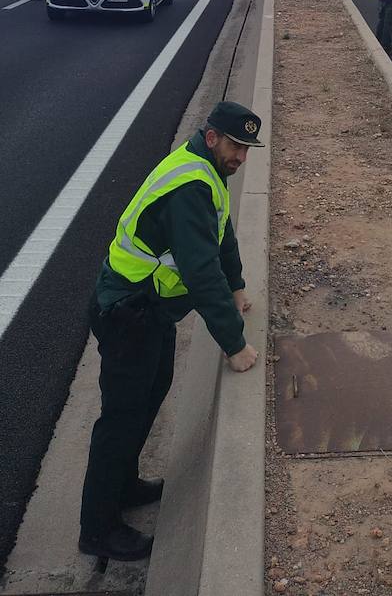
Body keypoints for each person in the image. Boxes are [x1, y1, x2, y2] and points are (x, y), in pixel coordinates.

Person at [79, 100, 263, 563]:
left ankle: (124, 484)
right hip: (126, 310)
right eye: (236, 145)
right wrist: (235, 344)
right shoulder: (191, 186)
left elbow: (222, 236)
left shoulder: (208, 173)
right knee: (120, 419)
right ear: (212, 136)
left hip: (151, 312)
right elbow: (200, 272)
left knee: (152, 393)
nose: (241, 156)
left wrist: (237, 284)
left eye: (247, 148)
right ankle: (97, 530)